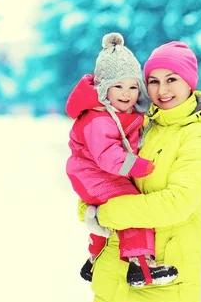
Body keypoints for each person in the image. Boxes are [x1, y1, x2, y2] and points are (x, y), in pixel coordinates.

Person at [79, 40, 201, 302]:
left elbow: (177, 203)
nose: (162, 90)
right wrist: (88, 209)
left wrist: (105, 215)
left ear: (190, 83)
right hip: (115, 278)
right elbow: (101, 177)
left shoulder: (200, 136)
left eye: (172, 79)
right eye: (153, 81)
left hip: (167, 280)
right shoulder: (140, 125)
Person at [66, 32, 179, 287]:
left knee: (110, 218)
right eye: (118, 86)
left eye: (132, 86)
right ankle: (142, 266)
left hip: (98, 174)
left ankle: (95, 258)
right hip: (92, 174)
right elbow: (107, 156)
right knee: (131, 208)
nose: (126, 94)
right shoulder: (97, 118)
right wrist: (139, 166)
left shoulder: (124, 112)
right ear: (104, 88)